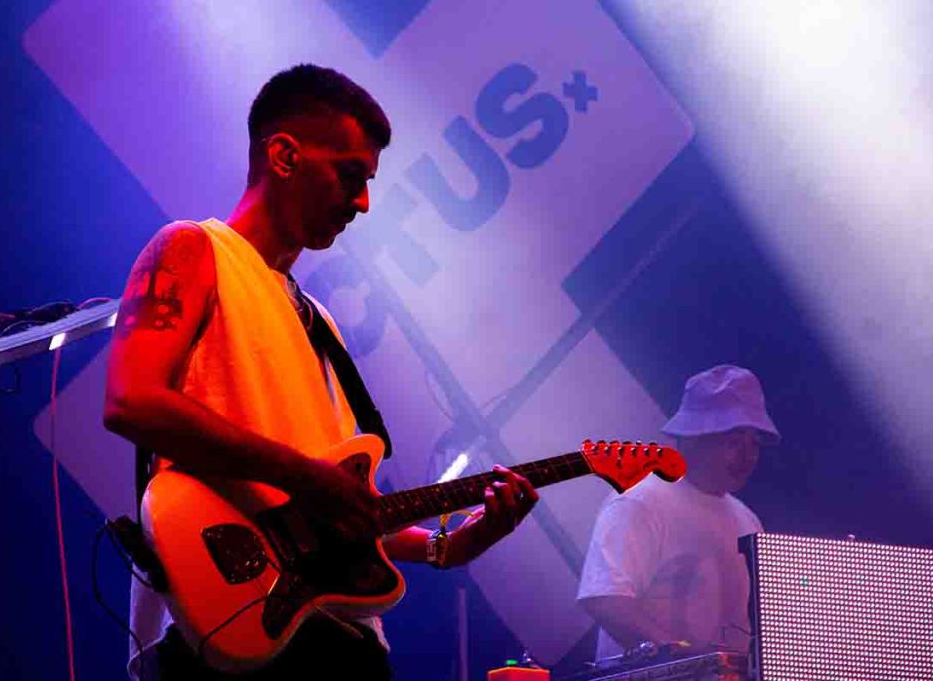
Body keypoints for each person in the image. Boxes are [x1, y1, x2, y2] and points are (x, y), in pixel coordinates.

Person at [103, 64, 538, 680]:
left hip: (342, 639)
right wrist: (305, 476)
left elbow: (326, 517)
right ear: (283, 156)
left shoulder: (320, 321)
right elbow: (131, 400)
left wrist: (448, 545)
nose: (363, 203)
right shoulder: (193, 249)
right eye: (350, 175)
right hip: (228, 626)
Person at [576, 364, 779, 662]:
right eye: (734, 442)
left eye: (754, 444)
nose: (748, 456)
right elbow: (606, 600)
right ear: (693, 439)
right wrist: (687, 663)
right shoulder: (641, 501)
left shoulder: (747, 520)